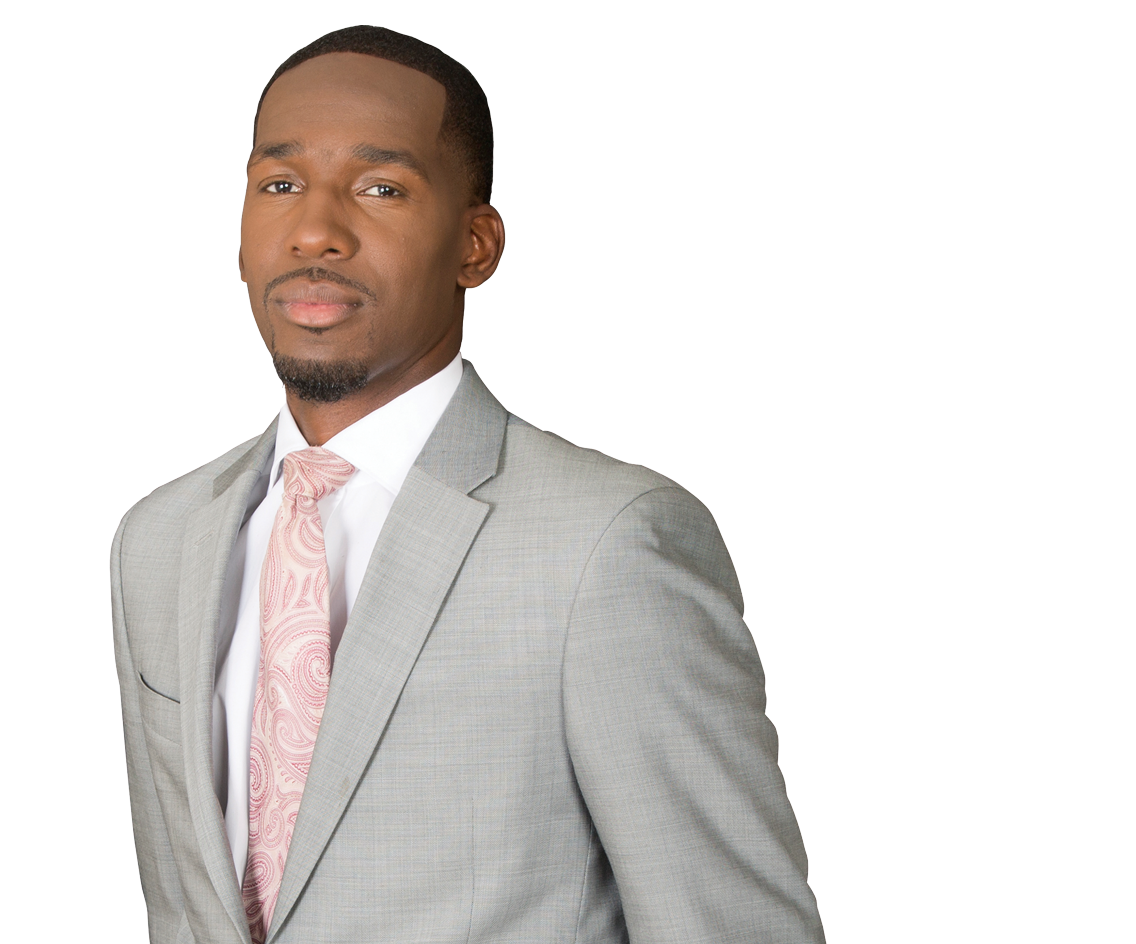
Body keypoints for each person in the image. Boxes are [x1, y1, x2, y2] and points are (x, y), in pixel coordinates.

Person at [110, 25, 825, 944]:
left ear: (476, 244)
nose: (317, 228)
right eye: (279, 184)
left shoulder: (607, 544)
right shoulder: (159, 541)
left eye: (381, 187)